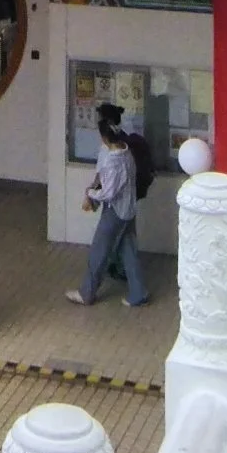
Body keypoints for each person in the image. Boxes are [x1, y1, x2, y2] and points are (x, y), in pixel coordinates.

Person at [68, 101, 149, 307]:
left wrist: (91, 193)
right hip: (128, 209)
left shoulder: (114, 161)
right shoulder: (126, 151)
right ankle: (138, 292)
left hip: (115, 211)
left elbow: (109, 191)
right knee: (128, 250)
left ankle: (87, 292)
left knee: (99, 250)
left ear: (104, 136)